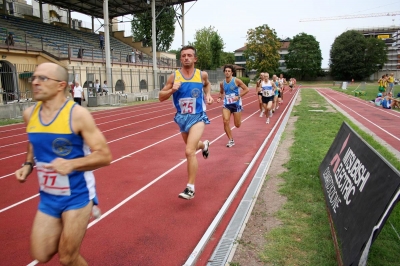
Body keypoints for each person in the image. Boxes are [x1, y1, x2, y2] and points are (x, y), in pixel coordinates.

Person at [15, 62, 112, 265]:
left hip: (78, 195)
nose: (35, 83)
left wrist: (72, 165)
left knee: (67, 257)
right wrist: (27, 164)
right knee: (40, 254)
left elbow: (104, 156)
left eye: (42, 78)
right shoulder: (29, 114)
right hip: (48, 196)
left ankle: (87, 211)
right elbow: (33, 141)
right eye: (34, 78)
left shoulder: (77, 115)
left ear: (61, 85)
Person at [159, 45, 213, 200]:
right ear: (180, 58)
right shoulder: (174, 77)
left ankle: (190, 188)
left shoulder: (201, 75)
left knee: (189, 151)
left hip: (198, 116)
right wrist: (172, 91)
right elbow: (161, 96)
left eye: (189, 55)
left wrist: (208, 95)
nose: (186, 58)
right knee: (194, 146)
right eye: (183, 56)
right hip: (182, 118)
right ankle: (204, 145)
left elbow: (207, 84)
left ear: (195, 58)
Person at [216, 64, 249, 148]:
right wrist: (220, 97)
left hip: (236, 104)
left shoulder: (236, 81)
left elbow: (246, 89)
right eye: (226, 71)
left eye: (229, 71)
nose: (227, 73)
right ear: (224, 72)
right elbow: (221, 92)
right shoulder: (222, 83)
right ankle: (231, 140)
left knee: (237, 125)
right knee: (225, 121)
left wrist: (238, 96)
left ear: (232, 73)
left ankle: (238, 120)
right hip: (227, 104)